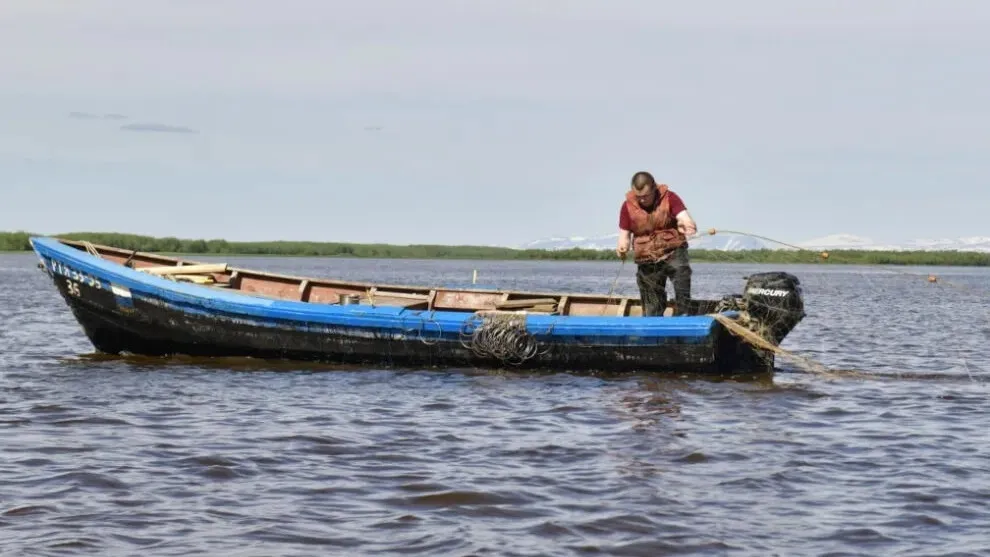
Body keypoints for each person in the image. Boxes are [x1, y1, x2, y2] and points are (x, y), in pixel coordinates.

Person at [616, 171, 697, 316]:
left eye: (646, 196)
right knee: (652, 303)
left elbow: (683, 216)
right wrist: (622, 247)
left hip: (673, 250)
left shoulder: (670, 197)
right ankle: (653, 321)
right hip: (647, 256)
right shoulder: (627, 206)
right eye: (638, 197)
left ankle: (684, 315)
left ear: (654, 188)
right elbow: (624, 235)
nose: (642, 200)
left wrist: (687, 224)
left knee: (681, 278)